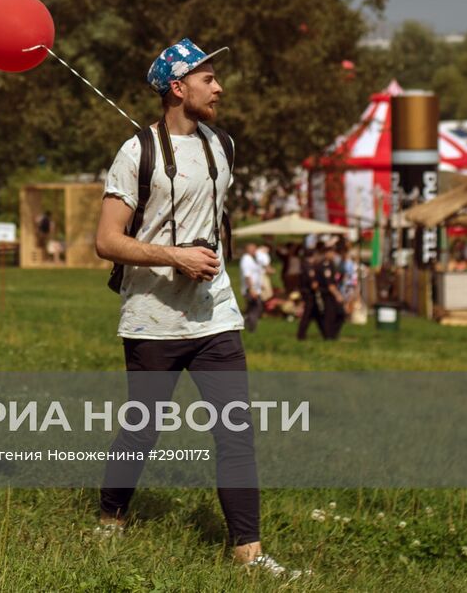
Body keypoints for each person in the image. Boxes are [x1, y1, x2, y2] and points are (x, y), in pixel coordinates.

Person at [93, 38, 299, 578]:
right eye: (209, 78)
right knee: (142, 430)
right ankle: (109, 523)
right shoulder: (135, 153)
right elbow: (107, 241)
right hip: (151, 318)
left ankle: (249, 557)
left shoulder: (223, 146)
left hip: (216, 316)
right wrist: (173, 255)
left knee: (236, 432)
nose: (220, 87)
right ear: (178, 88)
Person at [239, 242, 264, 333]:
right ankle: (251, 328)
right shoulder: (246, 259)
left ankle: (245, 323)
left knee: (252, 308)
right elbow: (247, 275)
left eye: (255, 248)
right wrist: (251, 289)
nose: (254, 250)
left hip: (255, 289)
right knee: (256, 308)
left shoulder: (252, 259)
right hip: (250, 289)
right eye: (252, 248)